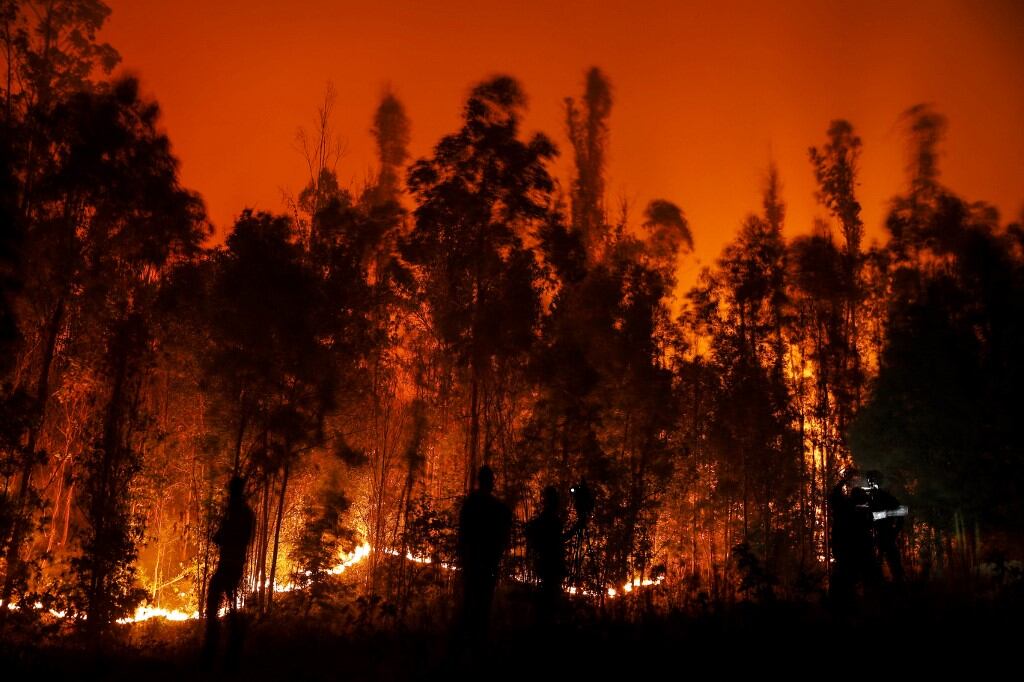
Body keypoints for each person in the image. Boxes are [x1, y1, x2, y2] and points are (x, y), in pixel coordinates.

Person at [203, 475, 255, 667]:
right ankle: (229, 650)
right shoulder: (241, 513)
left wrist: (224, 528)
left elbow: (224, 538)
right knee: (228, 606)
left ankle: (219, 650)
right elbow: (221, 538)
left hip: (231, 565)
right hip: (232, 565)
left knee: (218, 604)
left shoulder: (239, 514)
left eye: (230, 492)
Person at [456, 465, 512, 644]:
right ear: (490, 482)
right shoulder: (496, 508)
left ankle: (464, 645)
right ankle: (477, 645)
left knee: (469, 604)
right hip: (486, 564)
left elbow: (463, 534)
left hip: (473, 563)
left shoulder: (470, 504)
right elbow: (504, 533)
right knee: (482, 607)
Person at [525, 486, 569, 626]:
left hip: (545, 568)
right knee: (549, 604)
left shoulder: (545, 519)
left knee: (546, 603)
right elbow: (557, 540)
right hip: (552, 568)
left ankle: (542, 626)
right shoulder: (551, 520)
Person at [865, 470, 905, 584]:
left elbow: (902, 511)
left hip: (886, 535)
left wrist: (894, 530)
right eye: (869, 480)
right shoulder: (869, 499)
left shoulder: (886, 497)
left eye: (873, 480)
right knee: (874, 567)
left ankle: (898, 588)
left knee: (895, 565)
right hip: (873, 537)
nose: (871, 483)